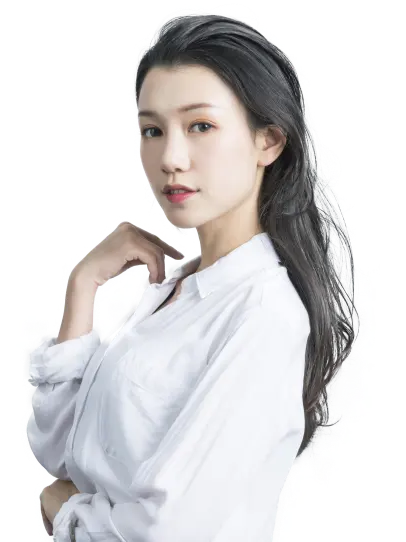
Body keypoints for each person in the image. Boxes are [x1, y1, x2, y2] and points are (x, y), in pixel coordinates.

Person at [24, 12, 359, 541]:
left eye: (200, 126)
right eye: (153, 130)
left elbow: (169, 533)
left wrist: (63, 510)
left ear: (269, 141)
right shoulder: (172, 289)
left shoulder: (263, 314)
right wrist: (83, 286)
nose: (171, 158)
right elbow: (60, 451)